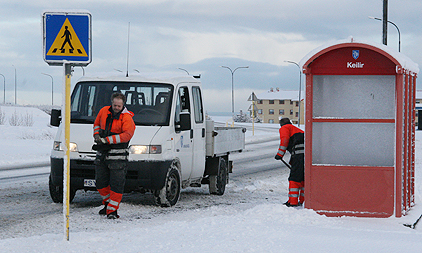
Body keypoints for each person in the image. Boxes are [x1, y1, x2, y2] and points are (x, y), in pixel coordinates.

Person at [93, 92, 135, 219]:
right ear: (112, 103)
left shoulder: (127, 118)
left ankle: (112, 211)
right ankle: (107, 204)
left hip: (118, 156)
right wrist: (96, 135)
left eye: (119, 106)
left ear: (123, 105)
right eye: (115, 105)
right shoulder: (104, 111)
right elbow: (97, 124)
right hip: (102, 153)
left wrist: (107, 140)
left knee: (116, 184)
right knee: (100, 182)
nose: (116, 107)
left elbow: (127, 135)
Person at [274, 117, 304, 207]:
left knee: (294, 179)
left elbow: (285, 140)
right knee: (303, 179)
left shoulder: (285, 128)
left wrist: (280, 154)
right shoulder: (297, 130)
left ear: (281, 124)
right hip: (306, 156)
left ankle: (293, 202)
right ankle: (303, 201)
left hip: (298, 157)